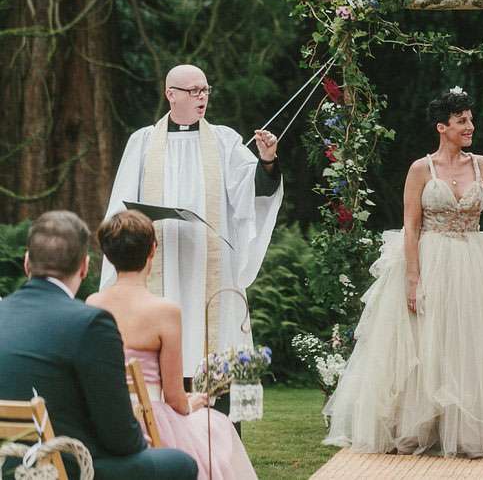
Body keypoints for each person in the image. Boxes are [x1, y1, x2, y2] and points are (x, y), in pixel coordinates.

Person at [322, 89, 483, 457]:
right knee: (429, 342)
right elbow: (411, 226)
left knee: (472, 343)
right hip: (431, 258)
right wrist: (413, 278)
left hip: (476, 260)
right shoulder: (420, 169)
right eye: (461, 121)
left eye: (470, 119)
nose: (469, 126)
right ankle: (421, 426)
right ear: (442, 127)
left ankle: (471, 429)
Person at [101, 64, 283, 381]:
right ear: (171, 94)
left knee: (213, 345)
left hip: (211, 263)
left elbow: (253, 194)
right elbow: (120, 208)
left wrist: (266, 161)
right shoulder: (143, 142)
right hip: (160, 258)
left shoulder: (225, 142)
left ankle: (218, 409)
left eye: (205, 90)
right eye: (194, 91)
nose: (202, 97)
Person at [0, 211, 198, 480]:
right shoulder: (90, 323)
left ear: (26, 263)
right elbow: (122, 439)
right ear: (84, 266)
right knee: (181, 463)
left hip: (7, 464)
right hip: (67, 468)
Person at [88, 210, 257, 480]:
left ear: (108, 255)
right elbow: (174, 398)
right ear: (152, 250)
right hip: (149, 422)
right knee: (218, 427)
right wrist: (193, 403)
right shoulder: (164, 311)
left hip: (106, 418)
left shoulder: (94, 303)